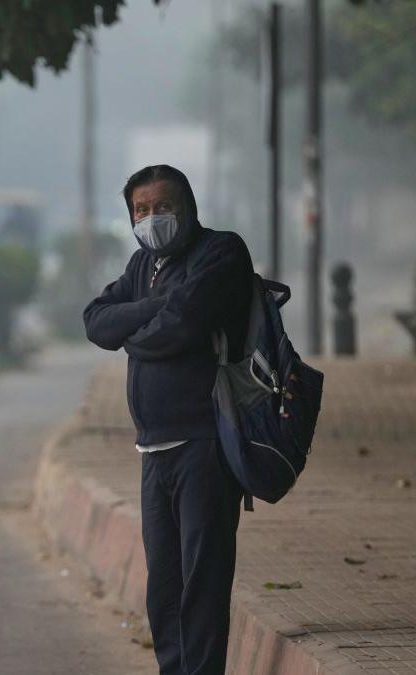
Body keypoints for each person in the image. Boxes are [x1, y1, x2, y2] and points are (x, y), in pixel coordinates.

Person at [82, 165, 254, 675]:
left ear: (187, 207)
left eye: (162, 207)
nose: (151, 218)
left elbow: (179, 327)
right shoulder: (143, 265)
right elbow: (96, 321)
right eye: (141, 210)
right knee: (164, 589)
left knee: (202, 584)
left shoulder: (221, 253)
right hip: (152, 451)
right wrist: (154, 306)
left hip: (204, 443)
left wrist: (136, 327)